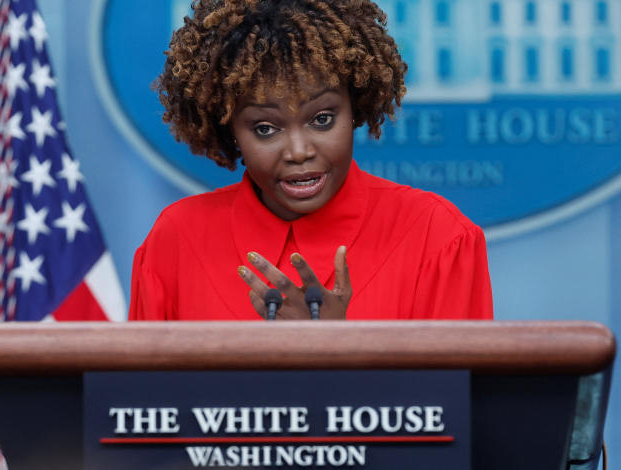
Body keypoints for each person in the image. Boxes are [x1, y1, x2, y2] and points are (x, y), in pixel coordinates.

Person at [129, 0, 493, 321]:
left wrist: (338, 351)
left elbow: (454, 399)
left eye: (322, 119)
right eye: (266, 128)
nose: (299, 150)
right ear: (229, 130)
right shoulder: (176, 241)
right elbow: (143, 397)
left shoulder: (438, 239)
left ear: (356, 107)